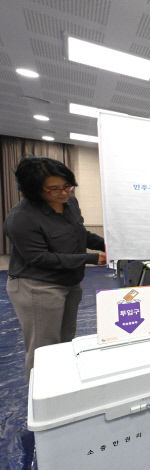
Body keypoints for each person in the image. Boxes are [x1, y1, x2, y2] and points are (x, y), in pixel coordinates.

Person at [3, 157, 106, 379]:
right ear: (34, 189)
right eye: (54, 189)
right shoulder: (21, 218)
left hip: (69, 282)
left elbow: (80, 233)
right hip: (37, 287)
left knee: (66, 339)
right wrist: (89, 258)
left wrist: (107, 244)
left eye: (67, 186)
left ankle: (62, 383)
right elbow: (39, 258)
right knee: (43, 348)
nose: (63, 192)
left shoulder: (70, 203)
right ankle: (42, 392)